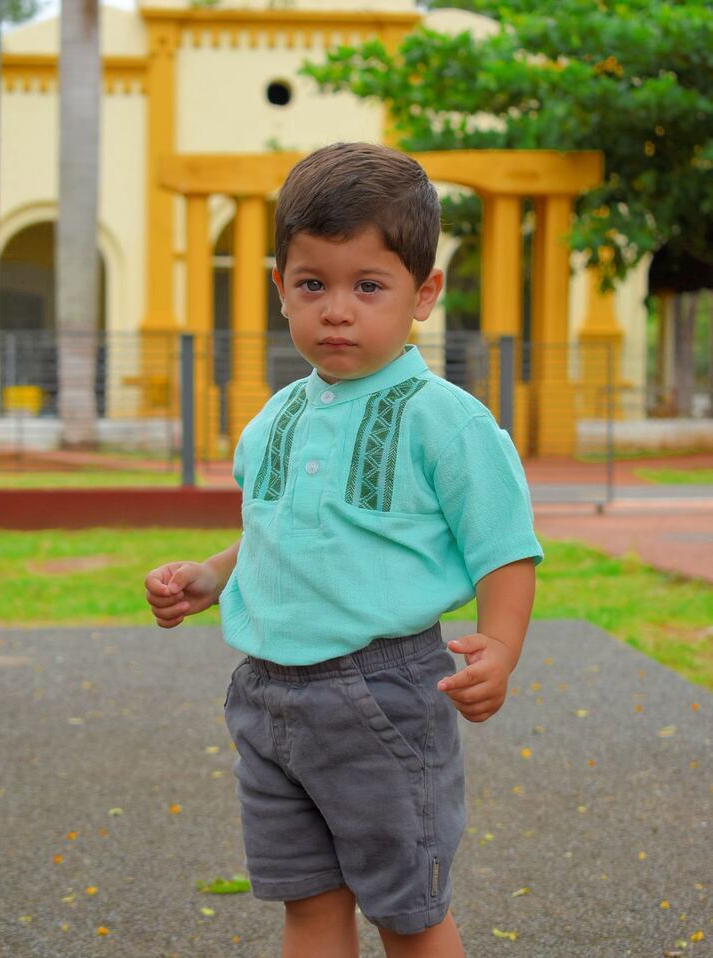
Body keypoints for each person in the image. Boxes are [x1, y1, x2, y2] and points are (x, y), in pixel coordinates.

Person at [145, 142, 544, 958]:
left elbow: (505, 548)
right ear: (280, 288)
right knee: (308, 904)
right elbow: (282, 529)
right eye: (312, 285)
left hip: (384, 697)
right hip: (267, 698)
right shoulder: (277, 416)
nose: (336, 310)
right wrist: (212, 577)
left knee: (408, 913)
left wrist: (500, 648)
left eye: (368, 286)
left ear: (423, 293)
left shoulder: (446, 420)